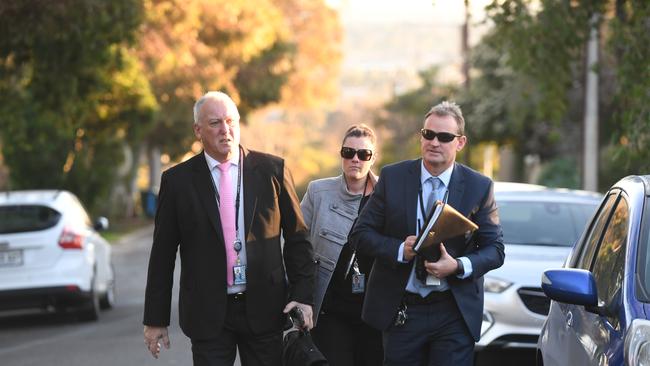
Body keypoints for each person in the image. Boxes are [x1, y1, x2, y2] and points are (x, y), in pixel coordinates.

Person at [143, 91, 315, 366]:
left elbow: (297, 238)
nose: (226, 130)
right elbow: (162, 254)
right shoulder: (177, 182)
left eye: (231, 121)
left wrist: (303, 296)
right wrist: (155, 319)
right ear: (198, 130)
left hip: (266, 307)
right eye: (215, 124)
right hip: (208, 312)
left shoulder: (273, 170)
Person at [349, 101, 505, 366]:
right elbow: (360, 234)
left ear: (460, 142)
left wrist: (457, 265)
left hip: (453, 310)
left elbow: (495, 250)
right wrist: (400, 249)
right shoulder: (393, 177)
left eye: (444, 137)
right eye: (428, 134)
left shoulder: (479, 186)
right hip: (403, 310)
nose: (434, 142)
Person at [300, 124, 383, 366]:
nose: (355, 159)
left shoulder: (387, 196)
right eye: (348, 152)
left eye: (363, 154)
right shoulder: (318, 192)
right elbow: (298, 245)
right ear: (341, 154)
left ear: (372, 158)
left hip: (373, 313)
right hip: (330, 310)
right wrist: (299, 295)